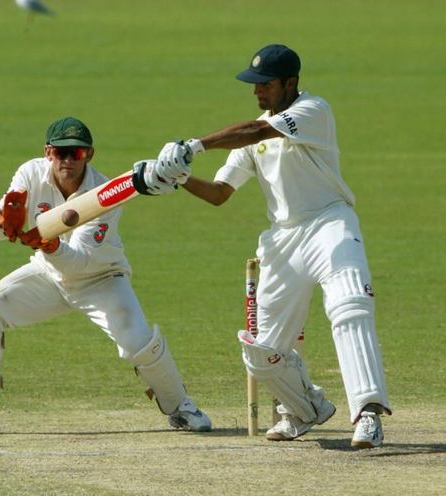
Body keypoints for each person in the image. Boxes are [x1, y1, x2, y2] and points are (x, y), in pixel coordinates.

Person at [150, 44, 392, 448]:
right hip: (283, 238)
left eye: (266, 84)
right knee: (260, 351)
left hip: (329, 221)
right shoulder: (251, 136)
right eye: (255, 84)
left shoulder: (313, 111)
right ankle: (304, 408)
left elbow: (259, 129)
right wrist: (177, 177)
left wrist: (193, 147)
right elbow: (219, 193)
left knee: (350, 306)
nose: (258, 91)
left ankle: (368, 413)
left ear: (291, 83)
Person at [0, 116, 211, 435]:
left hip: (101, 279)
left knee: (137, 343)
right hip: (47, 274)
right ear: (48, 153)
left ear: (90, 154)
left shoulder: (104, 194)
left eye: (78, 153)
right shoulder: (30, 173)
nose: (69, 160)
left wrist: (50, 244)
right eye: (61, 153)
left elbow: (80, 263)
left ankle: (180, 406)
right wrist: (3, 219)